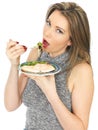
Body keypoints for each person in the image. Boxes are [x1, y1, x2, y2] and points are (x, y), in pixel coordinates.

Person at [4, 2, 94, 130]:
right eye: (48, 23)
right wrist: (14, 66)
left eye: (59, 31)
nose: (47, 33)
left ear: (71, 40)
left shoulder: (80, 70)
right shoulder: (36, 54)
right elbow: (11, 105)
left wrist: (51, 94)